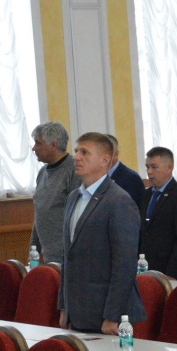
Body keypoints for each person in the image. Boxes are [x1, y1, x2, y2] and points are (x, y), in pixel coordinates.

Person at [59, 132, 146, 334]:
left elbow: (124, 264)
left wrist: (113, 316)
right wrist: (64, 307)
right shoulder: (73, 197)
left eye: (84, 152)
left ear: (105, 160)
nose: (76, 157)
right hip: (77, 310)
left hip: (105, 314)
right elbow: (67, 257)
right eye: (76, 151)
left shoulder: (119, 201)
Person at [139, 146, 177, 279]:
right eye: (147, 167)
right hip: (147, 269)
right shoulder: (146, 195)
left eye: (154, 167)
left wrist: (171, 274)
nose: (149, 172)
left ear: (169, 168)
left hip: (172, 272)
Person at [29, 121, 79, 264]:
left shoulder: (74, 170)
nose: (34, 148)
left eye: (38, 143)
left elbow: (77, 214)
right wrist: (33, 248)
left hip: (70, 255)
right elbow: (40, 212)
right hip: (48, 254)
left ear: (53, 145)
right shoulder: (42, 172)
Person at [105, 134, 146, 205]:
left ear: (115, 154)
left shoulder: (131, 178)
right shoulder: (95, 176)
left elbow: (131, 207)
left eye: (103, 153)